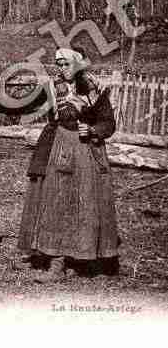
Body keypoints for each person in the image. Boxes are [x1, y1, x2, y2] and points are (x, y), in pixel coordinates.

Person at [17, 47, 119, 283]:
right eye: (58, 64)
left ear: (77, 64)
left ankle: (80, 257)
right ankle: (57, 263)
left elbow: (109, 124)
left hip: (86, 152)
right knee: (56, 202)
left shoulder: (96, 89)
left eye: (65, 63)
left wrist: (93, 129)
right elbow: (28, 106)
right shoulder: (54, 87)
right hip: (60, 149)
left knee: (84, 204)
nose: (61, 68)